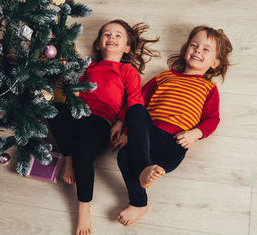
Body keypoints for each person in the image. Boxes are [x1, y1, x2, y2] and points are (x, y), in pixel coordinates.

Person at [111, 25, 233, 226]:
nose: (197, 51)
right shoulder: (164, 77)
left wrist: (195, 134)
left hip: (174, 141)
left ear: (215, 63)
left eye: (205, 50)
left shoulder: (208, 88)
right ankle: (141, 194)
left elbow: (212, 119)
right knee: (132, 124)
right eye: (194, 45)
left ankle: (138, 199)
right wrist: (126, 129)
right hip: (147, 134)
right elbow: (137, 98)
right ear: (186, 49)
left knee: (127, 157)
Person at [48, 19, 159, 235]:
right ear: (98, 44)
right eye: (106, 34)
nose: (111, 37)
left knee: (84, 155)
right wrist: (74, 93)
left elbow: (134, 102)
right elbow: (75, 90)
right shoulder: (89, 67)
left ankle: (83, 208)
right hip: (78, 112)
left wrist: (120, 122)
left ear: (127, 47)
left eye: (118, 35)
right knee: (54, 111)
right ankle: (67, 158)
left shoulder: (127, 71)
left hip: (100, 120)